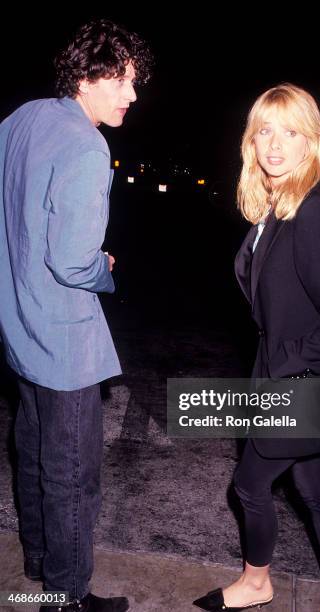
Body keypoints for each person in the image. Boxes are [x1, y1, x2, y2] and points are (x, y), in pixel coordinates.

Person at [193, 84, 320, 612]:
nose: (275, 144)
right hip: (292, 378)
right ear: (251, 139)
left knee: (249, 485)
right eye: (265, 130)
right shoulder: (279, 206)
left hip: (303, 384)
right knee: (315, 491)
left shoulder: (315, 212)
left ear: (311, 140)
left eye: (290, 132)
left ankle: (256, 583)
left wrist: (284, 365)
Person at [0, 19, 152, 612]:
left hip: (18, 323)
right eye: (124, 80)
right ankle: (66, 597)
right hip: (62, 339)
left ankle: (40, 563)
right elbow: (72, 262)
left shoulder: (22, 118)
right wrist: (104, 268)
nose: (132, 95)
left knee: (34, 448)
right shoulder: (89, 145)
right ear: (89, 77)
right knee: (73, 473)